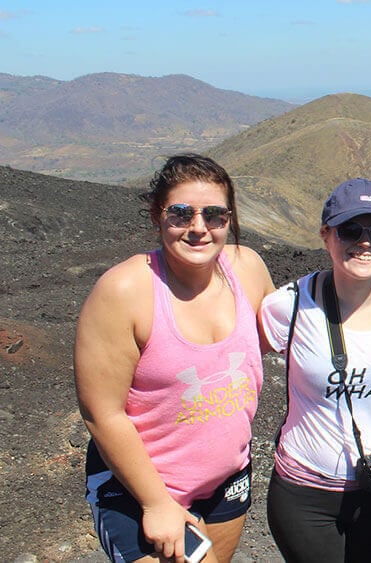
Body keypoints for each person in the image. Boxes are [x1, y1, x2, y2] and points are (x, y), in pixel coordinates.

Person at [75, 153, 275, 562]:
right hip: (137, 489)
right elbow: (102, 413)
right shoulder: (126, 291)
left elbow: (280, 340)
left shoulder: (249, 269)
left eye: (215, 215)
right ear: (156, 214)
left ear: (230, 219)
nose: (199, 228)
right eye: (181, 213)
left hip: (226, 478)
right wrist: (156, 503)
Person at [258, 178, 371, 563]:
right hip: (306, 495)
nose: (365, 241)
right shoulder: (287, 307)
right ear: (325, 235)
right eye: (350, 229)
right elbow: (239, 361)